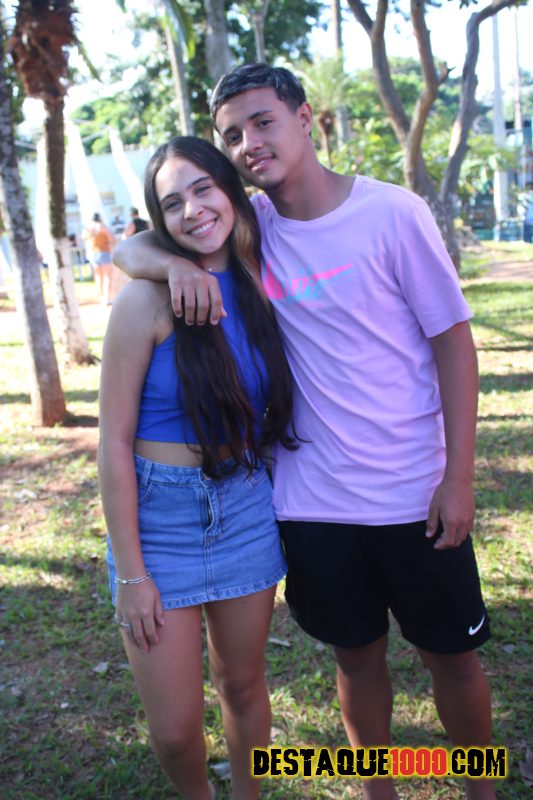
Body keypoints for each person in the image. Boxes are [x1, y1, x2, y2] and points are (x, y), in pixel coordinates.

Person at [113, 65, 495, 800]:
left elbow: (453, 342)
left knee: (452, 661)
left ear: (305, 118)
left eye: (262, 121)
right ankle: (376, 791)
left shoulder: (393, 212)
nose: (249, 143)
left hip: (413, 494)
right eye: (232, 135)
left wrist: (458, 476)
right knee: (355, 661)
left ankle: (481, 789)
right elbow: (131, 249)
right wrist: (167, 266)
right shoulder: (249, 228)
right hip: (310, 504)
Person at [98, 135, 297, 800]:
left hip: (244, 504)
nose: (192, 210)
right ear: (160, 220)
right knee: (176, 730)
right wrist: (132, 575)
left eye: (203, 189)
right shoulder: (144, 302)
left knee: (242, 684)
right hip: (159, 521)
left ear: (229, 189)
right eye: (172, 203)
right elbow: (112, 442)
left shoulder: (262, 275)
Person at [82, 212, 115, 305]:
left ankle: (100, 298)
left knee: (98, 277)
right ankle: (107, 298)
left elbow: (83, 238)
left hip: (93, 253)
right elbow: (112, 239)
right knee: (107, 277)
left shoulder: (89, 228)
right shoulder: (103, 227)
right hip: (104, 252)